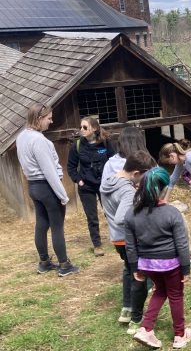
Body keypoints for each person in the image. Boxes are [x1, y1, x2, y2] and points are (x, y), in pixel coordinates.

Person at [125, 167, 191, 349]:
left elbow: (130, 245)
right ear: (165, 188)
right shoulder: (172, 213)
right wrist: (186, 268)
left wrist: (135, 268)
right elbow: (182, 243)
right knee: (176, 295)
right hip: (171, 264)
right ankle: (180, 335)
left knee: (160, 290)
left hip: (147, 264)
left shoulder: (131, 213)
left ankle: (146, 329)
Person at [16, 103, 80, 277]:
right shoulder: (39, 141)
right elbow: (49, 171)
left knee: (41, 223)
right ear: (39, 119)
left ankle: (44, 262)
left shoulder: (21, 137)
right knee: (57, 226)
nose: (51, 122)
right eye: (49, 118)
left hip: (33, 186)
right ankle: (64, 265)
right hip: (46, 186)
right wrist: (62, 195)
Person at [100, 150, 156, 334]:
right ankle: (136, 319)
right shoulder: (126, 190)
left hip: (117, 239)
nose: (141, 182)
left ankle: (126, 308)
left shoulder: (108, 181)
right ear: (135, 173)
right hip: (129, 239)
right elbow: (121, 218)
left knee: (128, 271)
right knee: (140, 276)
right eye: (142, 177)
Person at [67, 116, 116, 257]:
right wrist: (79, 180)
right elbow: (70, 167)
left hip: (104, 185)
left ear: (94, 128)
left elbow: (114, 161)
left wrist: (112, 179)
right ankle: (97, 245)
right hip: (86, 187)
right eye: (80, 127)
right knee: (92, 217)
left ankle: (117, 237)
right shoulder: (77, 146)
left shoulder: (105, 143)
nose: (81, 130)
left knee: (110, 213)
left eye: (85, 127)